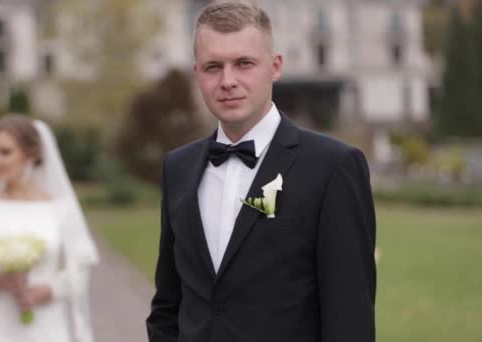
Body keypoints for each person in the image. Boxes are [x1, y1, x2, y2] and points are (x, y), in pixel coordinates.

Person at [146, 2, 376, 342]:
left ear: (275, 66)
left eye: (244, 64)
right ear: (197, 73)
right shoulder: (177, 167)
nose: (228, 81)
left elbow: (350, 317)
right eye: (213, 66)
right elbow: (168, 302)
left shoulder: (333, 167)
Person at [0, 114, 99, 342]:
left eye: (4, 152)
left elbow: (81, 267)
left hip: (48, 326)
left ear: (30, 154)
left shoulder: (62, 209)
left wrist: (51, 290)